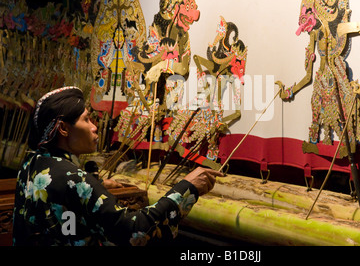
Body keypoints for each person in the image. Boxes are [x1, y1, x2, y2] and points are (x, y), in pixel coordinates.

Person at [13, 86, 223, 246]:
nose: (94, 127)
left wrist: (96, 183)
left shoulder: (32, 163)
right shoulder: (74, 178)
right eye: (86, 120)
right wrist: (187, 188)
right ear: (63, 129)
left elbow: (65, 211)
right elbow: (133, 231)